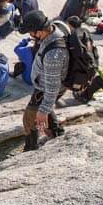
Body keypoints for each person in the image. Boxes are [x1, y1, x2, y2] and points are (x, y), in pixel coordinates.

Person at [17, 10, 68, 151]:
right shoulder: (57, 27)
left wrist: (43, 111)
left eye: (31, 33)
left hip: (47, 87)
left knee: (30, 118)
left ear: (38, 31)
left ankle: (31, 149)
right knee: (42, 110)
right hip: (47, 84)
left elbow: (53, 87)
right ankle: (56, 133)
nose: (31, 36)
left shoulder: (54, 54)